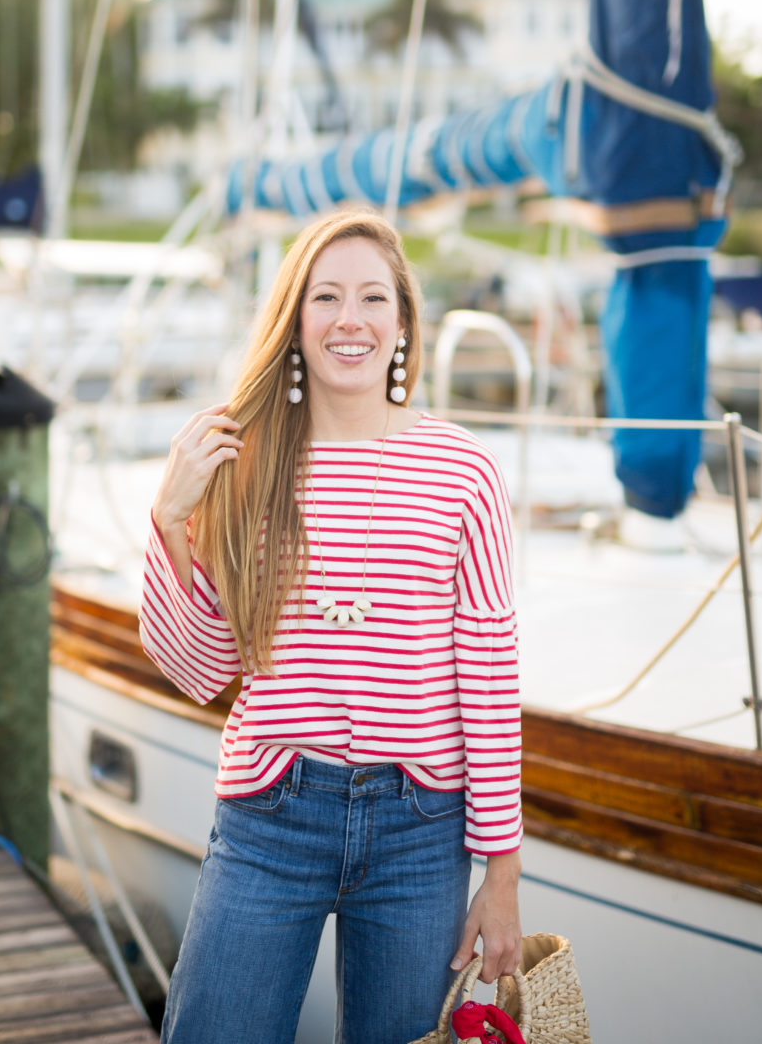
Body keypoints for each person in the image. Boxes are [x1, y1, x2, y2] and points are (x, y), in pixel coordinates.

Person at [140, 209, 522, 1044]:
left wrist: (502, 877)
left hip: (420, 831)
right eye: (327, 298)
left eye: (373, 298)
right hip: (271, 814)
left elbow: (489, 679)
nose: (350, 320)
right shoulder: (245, 460)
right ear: (296, 319)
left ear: (403, 323)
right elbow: (202, 669)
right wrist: (173, 520)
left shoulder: (465, 470)